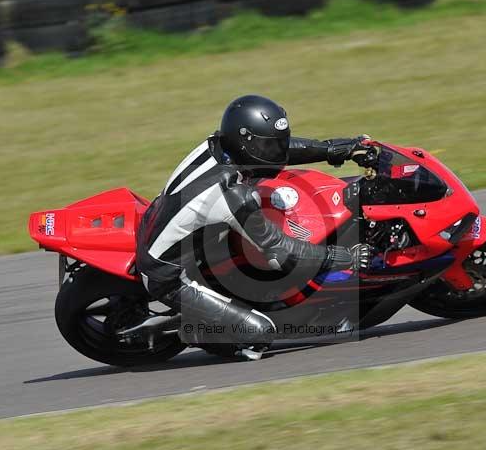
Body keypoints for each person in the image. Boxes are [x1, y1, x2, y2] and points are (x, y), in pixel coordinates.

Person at [136, 95, 372, 360]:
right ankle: (184, 327)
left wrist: (331, 149)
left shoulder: (219, 145)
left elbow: (277, 152)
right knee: (260, 333)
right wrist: (344, 258)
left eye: (277, 142)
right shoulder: (232, 195)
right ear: (246, 142)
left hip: (187, 235)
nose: (277, 152)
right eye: (268, 145)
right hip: (169, 276)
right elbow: (281, 250)